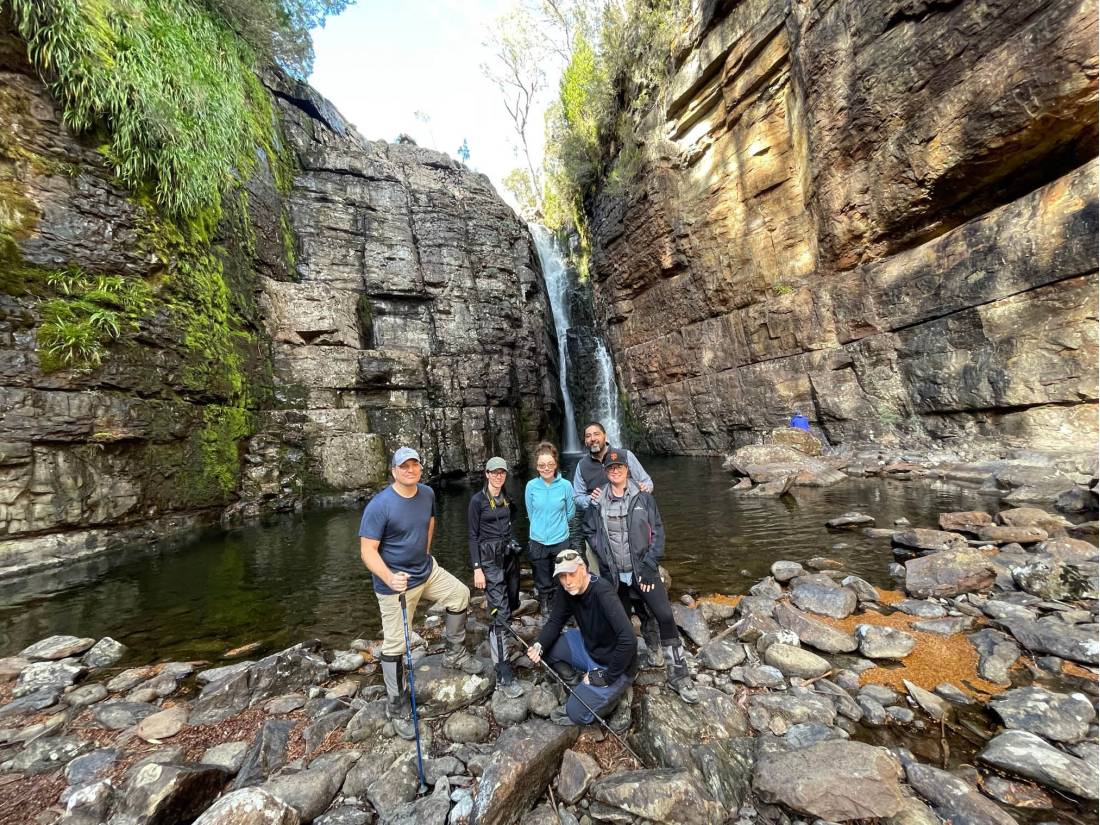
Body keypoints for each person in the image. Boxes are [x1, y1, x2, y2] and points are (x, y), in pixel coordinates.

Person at [359, 446, 481, 740]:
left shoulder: (426, 493)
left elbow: (430, 522)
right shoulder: (380, 505)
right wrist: (389, 576)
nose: (410, 470)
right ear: (394, 471)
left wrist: (425, 553)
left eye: (414, 465)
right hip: (395, 585)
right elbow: (367, 551)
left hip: (427, 571)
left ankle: (454, 654)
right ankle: (397, 704)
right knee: (395, 645)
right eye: (404, 467)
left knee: (460, 595)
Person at [583, 447, 699, 704]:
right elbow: (589, 531)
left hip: (642, 572)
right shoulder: (597, 501)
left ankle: (678, 675)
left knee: (665, 615)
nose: (615, 471)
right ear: (606, 472)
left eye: (620, 467)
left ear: (627, 470)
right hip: (614, 576)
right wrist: (604, 561)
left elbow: (657, 533)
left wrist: (647, 568)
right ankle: (626, 671)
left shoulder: (643, 498)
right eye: (611, 468)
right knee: (620, 625)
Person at [527, 548, 637, 727]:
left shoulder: (602, 591)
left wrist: (605, 677)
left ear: (583, 568)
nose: (567, 581)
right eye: (562, 576)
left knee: (575, 714)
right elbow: (555, 621)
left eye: (571, 574)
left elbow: (629, 640)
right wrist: (539, 645)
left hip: (616, 664)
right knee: (547, 650)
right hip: (589, 648)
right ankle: (577, 684)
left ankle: (612, 698)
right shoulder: (566, 590)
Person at [468, 456, 524, 699]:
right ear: (487, 474)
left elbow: (512, 518)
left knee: (512, 602)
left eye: (502, 472)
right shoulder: (477, 501)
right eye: (494, 472)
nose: (499, 476)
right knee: (499, 611)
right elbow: (472, 536)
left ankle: (497, 632)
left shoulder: (507, 498)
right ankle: (503, 672)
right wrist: (477, 568)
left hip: (509, 556)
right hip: (489, 559)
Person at [524, 441, 575, 614]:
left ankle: (559, 604)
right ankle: (544, 603)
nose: (546, 468)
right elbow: (530, 513)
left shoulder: (566, 486)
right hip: (538, 539)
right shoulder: (531, 486)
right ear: (537, 466)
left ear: (555, 464)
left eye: (550, 464)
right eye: (542, 465)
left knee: (561, 574)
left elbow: (570, 513)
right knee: (541, 575)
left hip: (560, 539)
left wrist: (558, 525)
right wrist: (539, 527)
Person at [571, 421, 653, 512]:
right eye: (588, 436)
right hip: (598, 518)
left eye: (596, 434)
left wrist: (645, 488)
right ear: (585, 441)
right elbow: (577, 497)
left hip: (630, 513)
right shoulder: (582, 465)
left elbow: (647, 482)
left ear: (605, 436)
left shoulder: (625, 455)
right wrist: (591, 499)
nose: (592, 439)